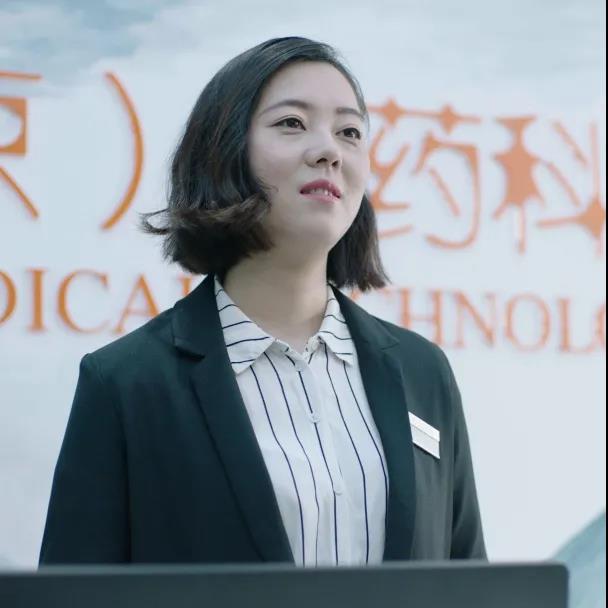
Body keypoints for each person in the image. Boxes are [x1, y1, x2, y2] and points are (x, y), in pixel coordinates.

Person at [39, 37, 486, 566]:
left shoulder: (422, 372)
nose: (329, 151)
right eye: (292, 123)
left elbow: (469, 583)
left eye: (349, 132)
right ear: (225, 152)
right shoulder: (126, 383)